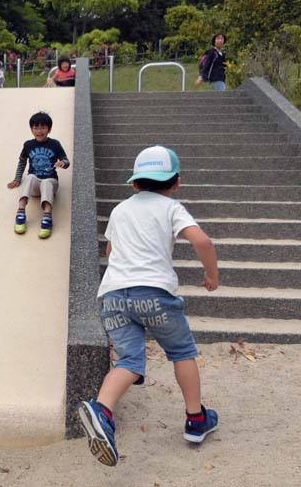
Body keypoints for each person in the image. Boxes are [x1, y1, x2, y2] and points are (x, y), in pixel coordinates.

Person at [77, 145, 220, 467]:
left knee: (129, 358)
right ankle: (196, 420)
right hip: (154, 293)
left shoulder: (119, 210)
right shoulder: (172, 208)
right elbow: (202, 241)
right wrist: (211, 275)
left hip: (113, 294)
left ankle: (102, 411)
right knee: (181, 352)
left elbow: (112, 252)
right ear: (176, 182)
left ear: (134, 183)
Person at [6, 111, 69, 239]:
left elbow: (66, 160)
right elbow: (22, 161)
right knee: (30, 177)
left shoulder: (55, 144)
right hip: (34, 186)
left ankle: (47, 217)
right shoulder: (28, 145)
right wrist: (17, 178)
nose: (39, 131)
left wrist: (63, 163)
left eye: (43, 127)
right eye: (36, 127)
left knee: (46, 182)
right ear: (31, 130)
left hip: (50, 183)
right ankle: (21, 212)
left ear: (49, 129)